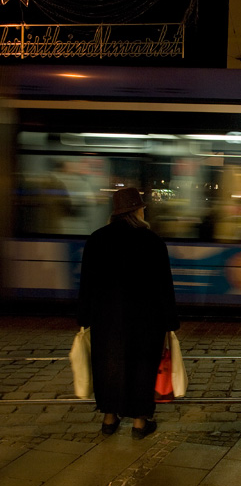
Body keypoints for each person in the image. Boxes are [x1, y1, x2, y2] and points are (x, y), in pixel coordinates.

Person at [78, 187, 179, 439]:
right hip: (146, 321)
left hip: (107, 320)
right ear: (137, 210)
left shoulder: (97, 239)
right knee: (142, 369)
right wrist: (170, 321)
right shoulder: (152, 241)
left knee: (108, 367)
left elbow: (87, 283)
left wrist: (84, 317)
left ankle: (109, 419)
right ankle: (139, 423)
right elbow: (164, 285)